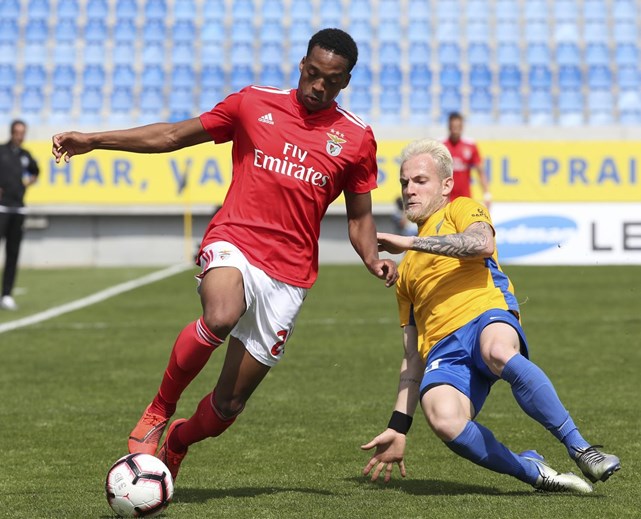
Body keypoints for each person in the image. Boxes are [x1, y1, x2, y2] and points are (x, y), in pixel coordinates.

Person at [52, 28, 397, 481]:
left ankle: (178, 440)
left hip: (289, 276)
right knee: (220, 314)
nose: (318, 86)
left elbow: (359, 219)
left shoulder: (355, 138)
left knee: (228, 405)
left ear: (345, 82)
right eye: (313, 74)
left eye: (330, 81)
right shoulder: (253, 103)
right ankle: (159, 409)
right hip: (234, 239)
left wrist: (372, 257)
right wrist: (94, 140)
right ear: (301, 65)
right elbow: (173, 135)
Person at [361, 138, 620, 493]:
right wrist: (398, 425)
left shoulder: (460, 209)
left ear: (446, 185)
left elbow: (482, 243)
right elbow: (410, 357)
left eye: (420, 180)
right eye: (405, 182)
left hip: (486, 316)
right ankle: (533, 471)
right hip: (444, 352)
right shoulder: (405, 275)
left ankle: (581, 449)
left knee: (497, 351)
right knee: (444, 419)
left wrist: (406, 242)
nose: (410, 190)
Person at [0, 120, 39, 311]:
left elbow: (35, 172)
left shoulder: (25, 155)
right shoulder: (2, 152)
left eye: (23, 132)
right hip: (1, 209)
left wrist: (28, 183)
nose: (20, 136)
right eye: (17, 132)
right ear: (11, 132)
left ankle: (6, 295)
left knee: (13, 254)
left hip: (18, 209)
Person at [442, 112, 491, 208]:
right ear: (449, 127)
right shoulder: (441, 145)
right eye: (453, 127)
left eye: (458, 127)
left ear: (462, 127)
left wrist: (487, 195)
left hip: (464, 197)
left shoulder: (470, 145)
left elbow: (480, 171)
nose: (456, 130)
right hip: (445, 197)